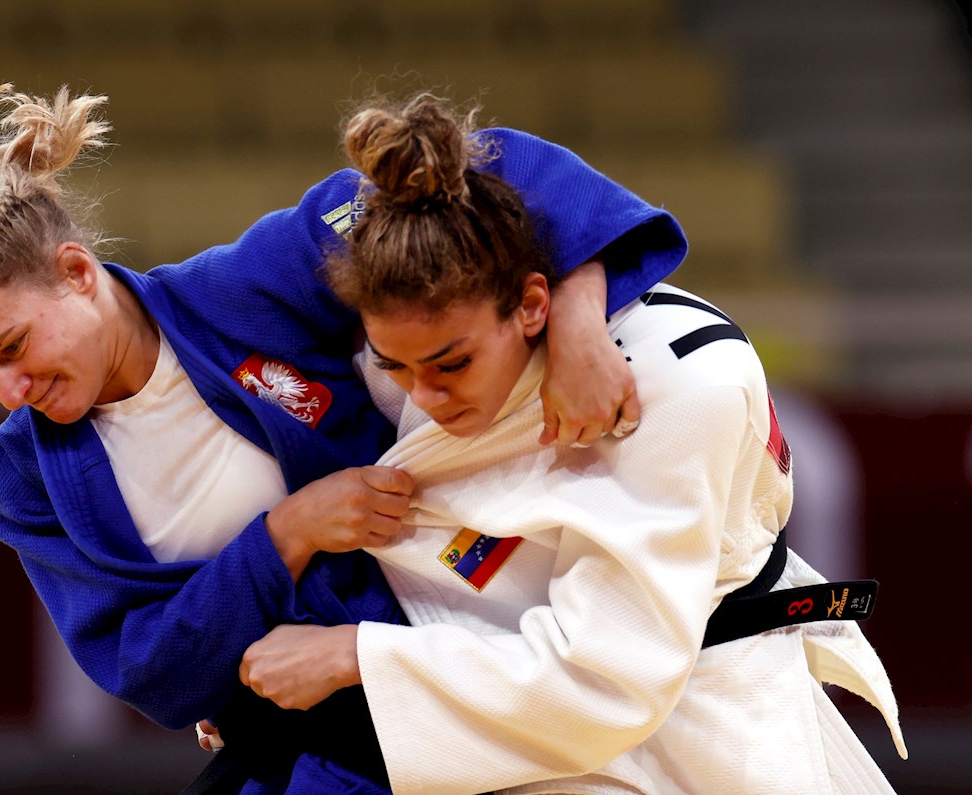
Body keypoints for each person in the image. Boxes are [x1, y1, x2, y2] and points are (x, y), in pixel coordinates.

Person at [0, 68, 688, 787]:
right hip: (299, 743)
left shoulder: (247, 287)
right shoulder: (25, 475)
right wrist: (288, 533)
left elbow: (487, 172)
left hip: (456, 664)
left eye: (12, 347)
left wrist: (581, 316)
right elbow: (152, 669)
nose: (9, 392)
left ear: (77, 273)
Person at [237, 95, 907, 794]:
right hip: (537, 698)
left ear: (532, 306)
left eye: (451, 364)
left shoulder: (678, 390)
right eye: (395, 365)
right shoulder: (438, 344)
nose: (424, 395)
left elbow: (604, 682)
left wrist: (353, 656)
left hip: (703, 722)